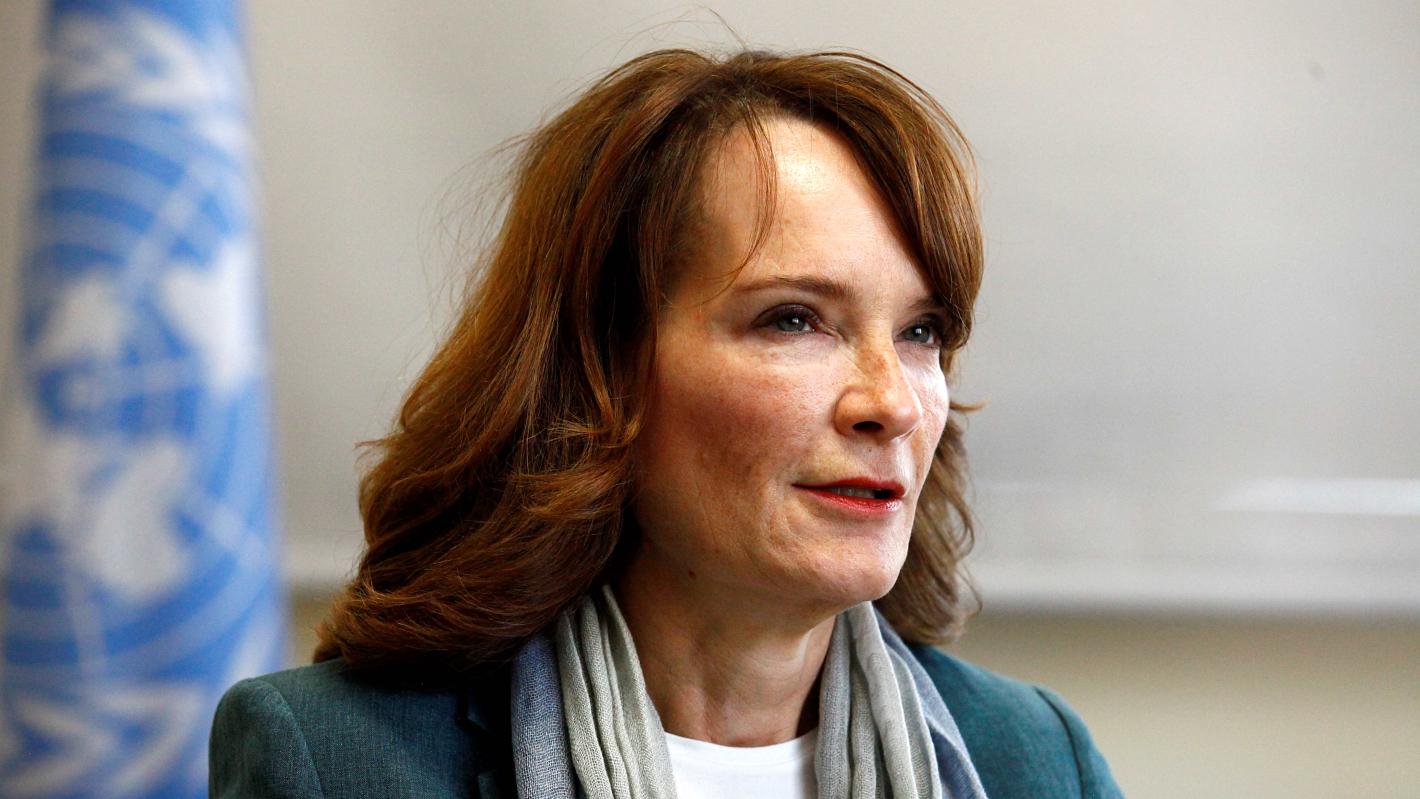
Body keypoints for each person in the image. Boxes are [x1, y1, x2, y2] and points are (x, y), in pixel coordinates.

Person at [210, 48, 1124, 799]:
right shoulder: (330, 760)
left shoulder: (1037, 760)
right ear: (603, 373)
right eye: (794, 319)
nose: (891, 402)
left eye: (920, 332)